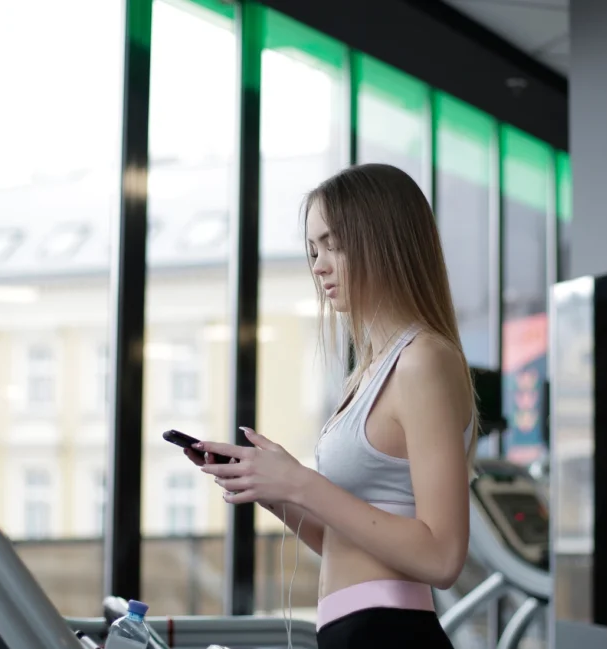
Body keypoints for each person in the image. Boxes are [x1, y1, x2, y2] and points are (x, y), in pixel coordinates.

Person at [183, 163, 476, 648]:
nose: (318, 266)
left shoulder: (422, 360)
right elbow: (343, 541)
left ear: (383, 240)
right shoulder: (365, 375)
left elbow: (443, 557)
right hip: (351, 629)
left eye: (333, 244)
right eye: (313, 249)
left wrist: (301, 482)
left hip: (390, 633)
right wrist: (276, 489)